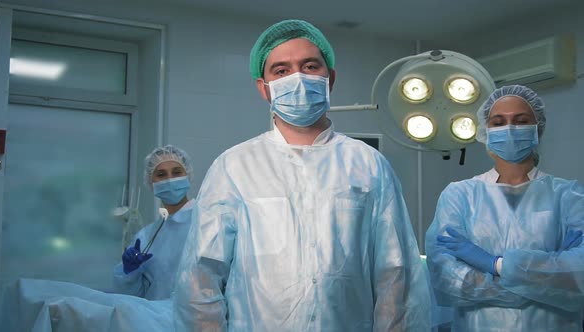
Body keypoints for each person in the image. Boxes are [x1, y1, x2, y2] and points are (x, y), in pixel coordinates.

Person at [173, 19, 430, 331]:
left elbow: (395, 274)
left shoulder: (368, 165)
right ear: (263, 87)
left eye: (309, 66)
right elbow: (202, 277)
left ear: (330, 78)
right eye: (281, 71)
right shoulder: (234, 167)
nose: (296, 78)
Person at [425, 84, 584, 331]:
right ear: (486, 131)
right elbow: (447, 278)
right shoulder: (460, 195)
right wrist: (544, 281)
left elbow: (580, 273)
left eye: (520, 121)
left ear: (537, 128)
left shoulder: (569, 196)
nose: (509, 129)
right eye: (498, 122)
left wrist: (493, 264)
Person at [113, 144, 195, 300]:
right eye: (161, 174)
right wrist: (129, 273)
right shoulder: (146, 237)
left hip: (202, 320)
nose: (170, 179)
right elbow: (131, 298)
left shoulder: (207, 222)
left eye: (177, 172)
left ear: (188, 175)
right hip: (156, 320)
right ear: (150, 182)